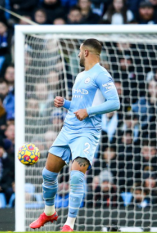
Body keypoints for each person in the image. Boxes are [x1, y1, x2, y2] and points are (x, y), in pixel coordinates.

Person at [29, 39, 120, 232]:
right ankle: (49, 212)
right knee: (48, 174)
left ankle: (69, 224)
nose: (77, 55)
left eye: (79, 52)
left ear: (86, 52)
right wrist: (66, 104)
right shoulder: (80, 76)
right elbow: (79, 106)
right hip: (68, 129)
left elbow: (114, 103)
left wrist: (88, 111)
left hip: (87, 133)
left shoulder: (103, 75)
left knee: (76, 177)